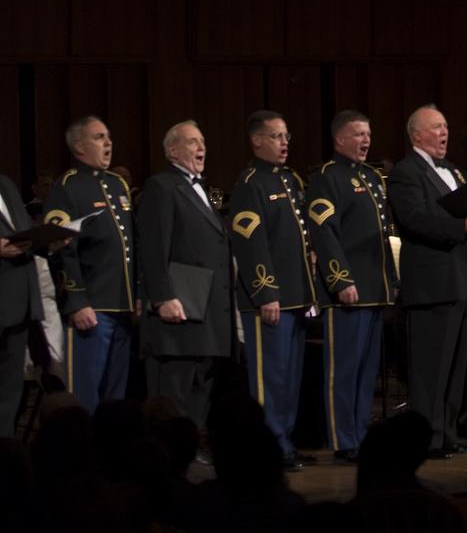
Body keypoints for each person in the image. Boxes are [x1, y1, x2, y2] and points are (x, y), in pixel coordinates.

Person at [386, 104, 467, 458]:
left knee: (455, 367)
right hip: (432, 284)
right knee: (429, 369)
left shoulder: (452, 169)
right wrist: (461, 227)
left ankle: (448, 433)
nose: (444, 133)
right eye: (436, 127)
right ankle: (427, 439)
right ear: (416, 134)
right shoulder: (407, 172)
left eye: (446, 126)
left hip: (461, 280)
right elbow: (414, 219)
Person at [306, 109, 397, 462]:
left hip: (374, 288)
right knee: (343, 370)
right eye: (358, 134)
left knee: (366, 371)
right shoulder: (327, 177)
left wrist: (391, 280)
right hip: (347, 290)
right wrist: (339, 278)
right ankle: (344, 440)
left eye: (368, 134)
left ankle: (361, 436)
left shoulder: (372, 177)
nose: (366, 141)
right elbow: (324, 233)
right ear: (340, 138)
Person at [228, 110, 316, 472]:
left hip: (295, 294)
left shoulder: (289, 180)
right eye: (277, 137)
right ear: (257, 140)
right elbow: (251, 244)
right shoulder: (251, 183)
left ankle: (286, 442)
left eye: (286, 137)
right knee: (270, 377)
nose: (284, 143)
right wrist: (265, 292)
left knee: (290, 377)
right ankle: (271, 446)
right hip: (270, 298)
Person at [137, 120, 234, 435]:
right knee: (173, 391)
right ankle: (166, 454)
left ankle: (189, 449)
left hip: (205, 310)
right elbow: (153, 247)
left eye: (202, 141)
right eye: (192, 142)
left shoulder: (202, 187)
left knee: (200, 386)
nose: (201, 147)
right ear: (172, 150)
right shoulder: (161, 186)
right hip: (179, 310)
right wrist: (163, 296)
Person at [42, 116, 137, 411]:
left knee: (116, 396)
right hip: (92, 308)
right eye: (99, 137)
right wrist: (76, 300)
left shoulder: (117, 184)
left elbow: (131, 243)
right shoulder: (67, 187)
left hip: (124, 306)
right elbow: (60, 250)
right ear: (79, 147)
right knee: (86, 395)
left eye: (108, 136)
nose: (108, 142)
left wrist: (139, 294)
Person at [0, 173, 42, 437]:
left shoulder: (6, 184)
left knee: (9, 392)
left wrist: (48, 241)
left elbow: (23, 230)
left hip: (17, 304)